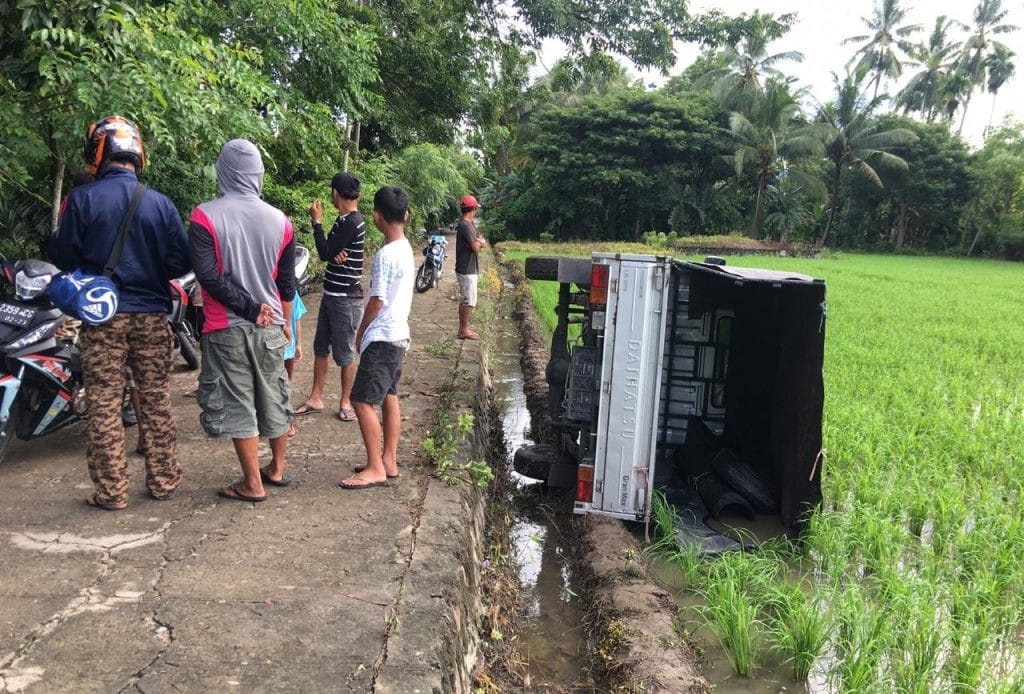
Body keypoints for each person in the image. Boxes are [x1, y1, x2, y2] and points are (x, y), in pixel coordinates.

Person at [50, 115, 190, 511]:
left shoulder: (82, 199)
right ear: (137, 153)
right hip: (150, 315)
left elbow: (63, 256)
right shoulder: (160, 204)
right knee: (156, 398)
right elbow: (179, 263)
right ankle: (163, 481)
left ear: (99, 151)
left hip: (102, 318)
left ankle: (112, 492)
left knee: (104, 403)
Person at [188, 139, 296, 502]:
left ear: (224, 170)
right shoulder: (282, 221)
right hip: (270, 329)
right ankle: (277, 468)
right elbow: (286, 282)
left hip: (225, 328)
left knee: (237, 402)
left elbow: (208, 277)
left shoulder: (205, 216)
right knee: (274, 395)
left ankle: (252, 483)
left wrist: (248, 309)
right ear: (257, 174)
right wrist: (285, 323)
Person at [338, 186, 415, 490]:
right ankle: (388, 460)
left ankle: (374, 467)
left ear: (376, 216)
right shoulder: (407, 248)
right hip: (399, 335)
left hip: (382, 337)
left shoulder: (384, 255)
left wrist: (361, 330)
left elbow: (377, 299)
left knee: (360, 399)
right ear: (406, 216)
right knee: (389, 396)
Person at [294, 172, 365, 422]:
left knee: (345, 353)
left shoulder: (351, 222)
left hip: (345, 298)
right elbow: (331, 251)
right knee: (321, 348)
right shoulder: (345, 220)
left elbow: (324, 251)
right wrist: (332, 250)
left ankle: (346, 402)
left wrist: (316, 223)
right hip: (331, 293)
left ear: (335, 193)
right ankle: (316, 397)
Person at [454, 194, 486, 340]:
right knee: (469, 300)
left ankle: (463, 328)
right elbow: (476, 247)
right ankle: (464, 330)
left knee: (466, 299)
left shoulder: (469, 224)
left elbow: (477, 239)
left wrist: (479, 241)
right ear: (473, 208)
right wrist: (482, 243)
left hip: (467, 267)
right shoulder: (465, 226)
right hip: (466, 269)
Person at [284, 293, 306, 436]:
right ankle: (286, 422)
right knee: (284, 386)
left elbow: (297, 318)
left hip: (284, 348)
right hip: (287, 348)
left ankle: (286, 422)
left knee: (282, 387)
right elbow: (297, 319)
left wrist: (298, 344)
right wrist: (298, 344)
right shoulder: (289, 290)